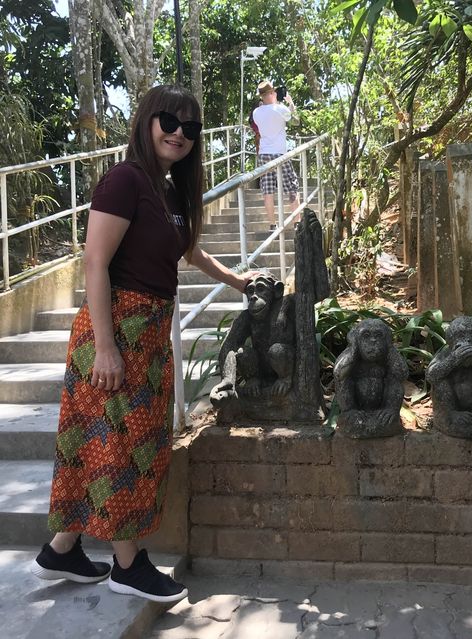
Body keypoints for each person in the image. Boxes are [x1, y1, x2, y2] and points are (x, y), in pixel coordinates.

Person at [31, 84, 254, 604]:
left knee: (114, 447)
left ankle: (62, 550)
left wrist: (239, 281)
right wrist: (106, 347)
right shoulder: (125, 181)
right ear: (147, 122)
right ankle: (129, 565)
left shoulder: (171, 191)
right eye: (169, 122)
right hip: (114, 331)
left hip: (151, 334)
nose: (179, 134)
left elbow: (190, 251)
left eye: (191, 128)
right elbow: (95, 263)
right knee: (121, 450)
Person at [252, 81, 300, 229]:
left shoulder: (256, 112)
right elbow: (295, 121)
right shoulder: (280, 109)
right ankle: (297, 222)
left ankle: (272, 224)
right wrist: (290, 103)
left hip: (264, 154)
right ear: (271, 94)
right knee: (291, 186)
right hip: (280, 154)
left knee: (268, 190)